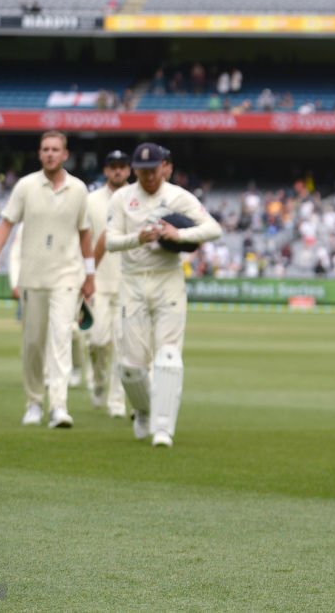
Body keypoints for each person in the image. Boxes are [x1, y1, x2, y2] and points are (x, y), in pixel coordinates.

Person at [105, 142, 221, 448]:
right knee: (131, 366)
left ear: (164, 168)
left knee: (168, 357)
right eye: (142, 172)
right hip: (132, 283)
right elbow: (110, 242)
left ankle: (162, 428)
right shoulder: (121, 198)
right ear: (134, 171)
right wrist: (137, 238)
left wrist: (178, 235)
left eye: (153, 171)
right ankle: (143, 411)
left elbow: (213, 229)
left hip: (167, 280)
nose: (148, 177)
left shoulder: (178, 197)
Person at [0, 130, 95, 428]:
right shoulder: (26, 186)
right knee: (33, 343)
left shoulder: (79, 189)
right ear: (39, 153)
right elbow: (7, 223)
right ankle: (34, 401)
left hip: (67, 276)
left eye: (55, 149)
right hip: (33, 276)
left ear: (65, 154)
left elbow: (85, 233)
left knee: (61, 338)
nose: (50, 154)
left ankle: (58, 406)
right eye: (45, 149)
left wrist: (90, 274)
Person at [88, 150, 132, 418]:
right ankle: (98, 380)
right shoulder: (91, 201)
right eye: (113, 167)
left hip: (128, 284)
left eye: (122, 167)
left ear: (129, 170)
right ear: (105, 171)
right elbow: (84, 239)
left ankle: (117, 401)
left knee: (122, 346)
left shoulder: (136, 199)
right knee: (97, 341)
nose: (118, 171)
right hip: (98, 284)